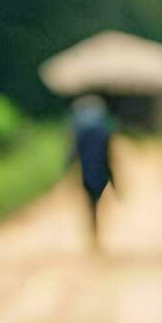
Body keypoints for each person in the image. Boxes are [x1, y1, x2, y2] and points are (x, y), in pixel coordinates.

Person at [69, 93, 115, 249]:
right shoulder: (103, 133)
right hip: (100, 173)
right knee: (96, 203)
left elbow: (74, 154)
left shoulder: (81, 134)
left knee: (91, 204)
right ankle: (96, 233)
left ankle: (94, 233)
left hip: (87, 172)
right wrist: (115, 181)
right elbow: (109, 158)